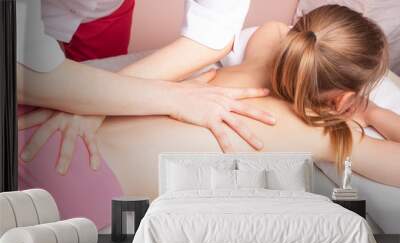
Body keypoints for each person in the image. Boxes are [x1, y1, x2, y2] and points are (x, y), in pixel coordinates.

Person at [18, 4, 400, 229]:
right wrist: (370, 111)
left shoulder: (260, 54)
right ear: (344, 98)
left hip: (44, 125)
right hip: (83, 186)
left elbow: (273, 29)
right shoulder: (327, 134)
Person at [17, 0, 274, 175]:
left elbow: (213, 32)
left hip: (107, 9)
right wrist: (172, 97)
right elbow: (18, 66)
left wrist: (95, 104)